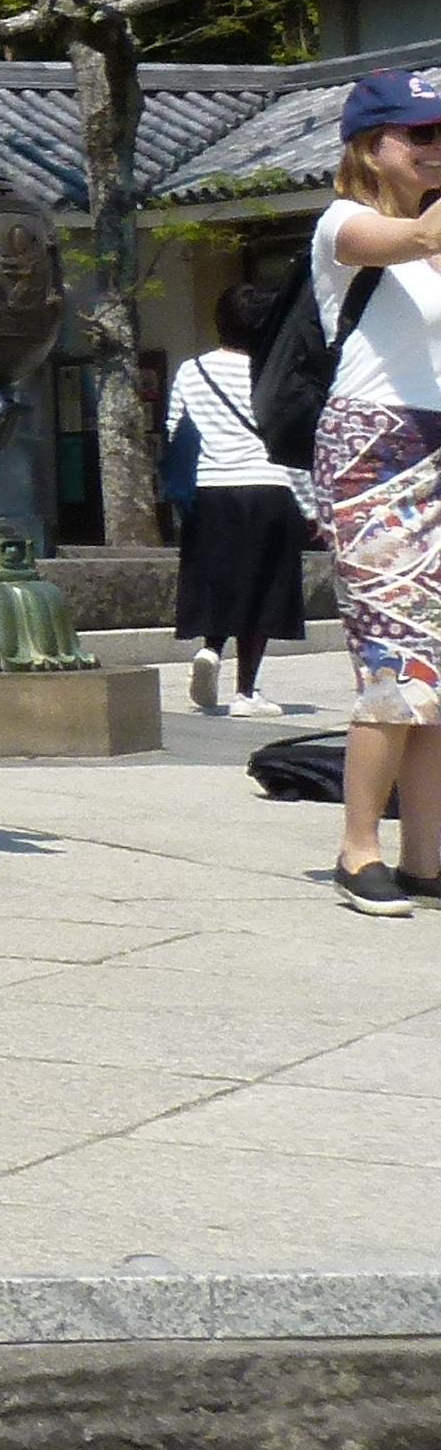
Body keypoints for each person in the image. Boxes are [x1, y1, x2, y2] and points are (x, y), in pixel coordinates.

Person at [304, 68, 441, 915]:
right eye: (419, 135)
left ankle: (428, 855)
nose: (435, 149)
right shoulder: (343, 222)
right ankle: (359, 849)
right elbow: (401, 240)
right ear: (370, 145)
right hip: (373, 451)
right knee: (395, 654)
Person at [167, 277, 307, 718]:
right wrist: (312, 506)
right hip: (269, 487)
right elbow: (290, 442)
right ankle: (246, 692)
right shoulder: (275, 374)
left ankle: (211, 649)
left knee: (218, 578)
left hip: (210, 491)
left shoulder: (192, 370)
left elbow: (175, 430)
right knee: (262, 589)